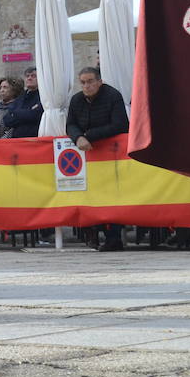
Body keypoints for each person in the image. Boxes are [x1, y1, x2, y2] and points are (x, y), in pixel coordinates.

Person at [67, 67, 130, 251]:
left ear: (99, 81)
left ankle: (113, 237)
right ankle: (92, 232)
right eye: (83, 82)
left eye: (90, 81)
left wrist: (89, 135)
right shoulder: (77, 99)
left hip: (112, 154)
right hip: (87, 155)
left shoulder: (112, 95)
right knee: (89, 194)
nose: (86, 86)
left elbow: (120, 124)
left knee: (112, 195)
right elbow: (70, 124)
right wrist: (78, 137)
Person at [5, 67, 43, 138]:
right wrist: (28, 111)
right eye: (27, 76)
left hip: (34, 139)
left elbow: (35, 115)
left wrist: (15, 113)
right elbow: (7, 120)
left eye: (33, 76)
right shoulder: (20, 97)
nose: (29, 78)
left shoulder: (43, 96)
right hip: (17, 140)